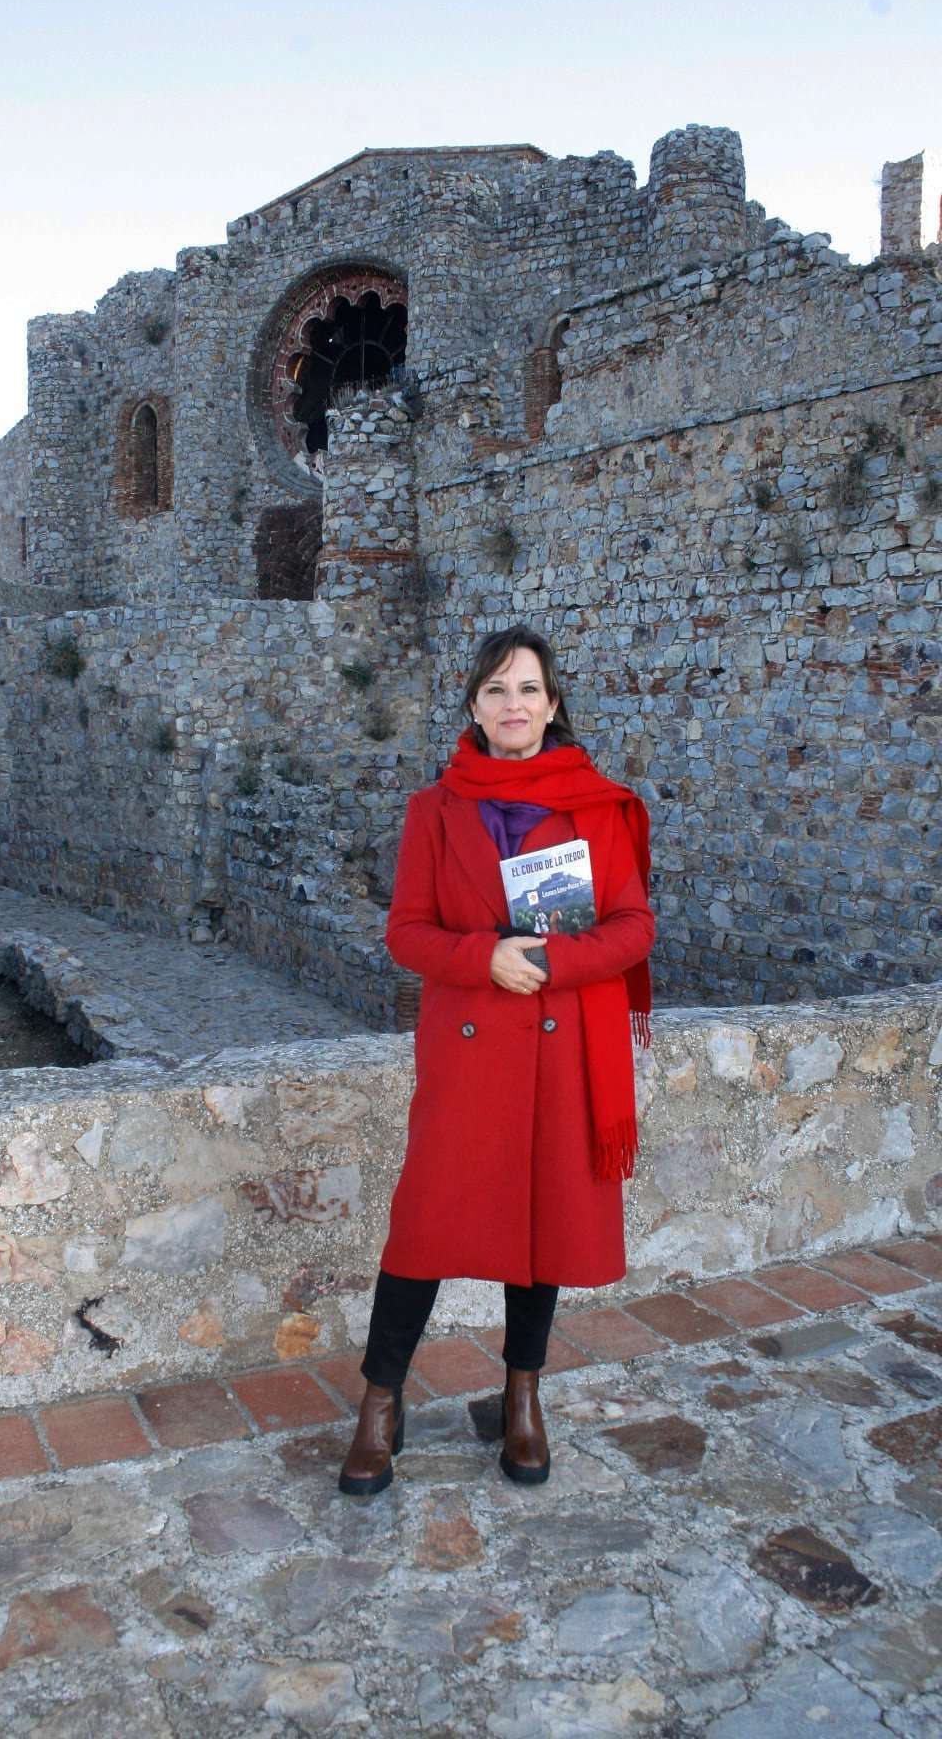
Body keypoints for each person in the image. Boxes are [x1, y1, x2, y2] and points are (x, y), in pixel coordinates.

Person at [338, 624, 655, 1496]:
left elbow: (634, 928)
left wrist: (551, 961)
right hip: (472, 1048)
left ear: (553, 705)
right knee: (425, 1224)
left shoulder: (597, 806)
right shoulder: (434, 810)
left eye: (528, 691)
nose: (512, 706)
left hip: (564, 1052)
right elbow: (406, 933)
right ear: (473, 709)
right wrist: (484, 958)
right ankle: (380, 1402)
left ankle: (522, 1396)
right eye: (495, 691)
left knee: (545, 1224)